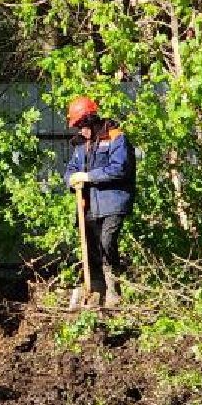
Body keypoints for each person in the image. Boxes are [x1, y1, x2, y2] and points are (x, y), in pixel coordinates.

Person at [63, 95, 135, 308]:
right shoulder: (81, 145)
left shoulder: (116, 138)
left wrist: (89, 177)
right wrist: (72, 180)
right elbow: (70, 170)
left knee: (106, 242)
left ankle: (113, 289)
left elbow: (119, 169)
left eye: (83, 125)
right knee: (90, 245)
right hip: (89, 205)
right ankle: (96, 290)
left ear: (92, 120)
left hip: (113, 202)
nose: (80, 130)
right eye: (77, 126)